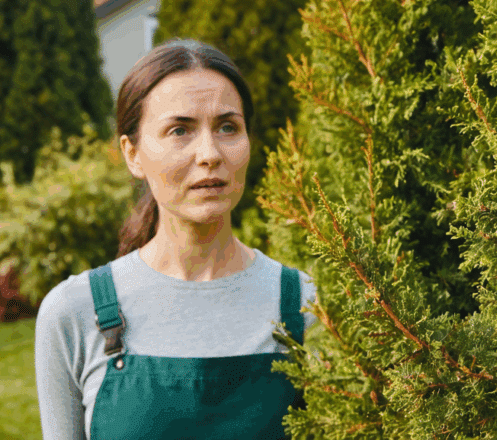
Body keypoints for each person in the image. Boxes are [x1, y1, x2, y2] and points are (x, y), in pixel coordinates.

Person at [34, 39, 315, 440]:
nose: (210, 153)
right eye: (179, 130)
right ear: (132, 154)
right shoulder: (75, 313)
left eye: (227, 127)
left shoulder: (304, 306)